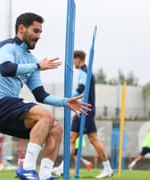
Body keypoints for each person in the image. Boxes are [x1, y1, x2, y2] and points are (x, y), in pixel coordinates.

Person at [0, 12, 91, 180]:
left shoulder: (31, 59)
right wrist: (37, 66)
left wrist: (65, 102)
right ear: (21, 28)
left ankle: (45, 175)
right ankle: (26, 168)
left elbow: (40, 95)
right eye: (35, 31)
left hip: (10, 111)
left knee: (56, 128)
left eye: (40, 32)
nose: (39, 36)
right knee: (46, 116)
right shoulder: (6, 46)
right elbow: (6, 68)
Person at [54, 50, 113, 178]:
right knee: (73, 138)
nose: (73, 62)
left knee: (91, 139)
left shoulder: (84, 71)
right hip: (84, 109)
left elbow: (81, 89)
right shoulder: (87, 72)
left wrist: (68, 97)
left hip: (84, 110)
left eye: (73, 59)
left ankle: (107, 168)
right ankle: (63, 167)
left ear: (78, 59)